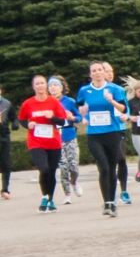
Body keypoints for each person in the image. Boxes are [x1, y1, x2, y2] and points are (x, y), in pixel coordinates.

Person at [75, 61, 129, 216]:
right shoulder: (84, 90)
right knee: (103, 167)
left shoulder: (115, 89)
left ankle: (111, 202)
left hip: (112, 133)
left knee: (111, 168)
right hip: (94, 135)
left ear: (105, 72)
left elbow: (123, 108)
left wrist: (111, 101)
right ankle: (106, 201)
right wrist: (82, 112)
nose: (97, 73)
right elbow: (79, 108)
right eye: (94, 70)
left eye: (100, 70)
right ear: (90, 74)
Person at [18, 75, 70, 211]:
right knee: (43, 168)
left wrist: (52, 117)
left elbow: (63, 121)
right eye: (37, 84)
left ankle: (50, 199)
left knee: (51, 172)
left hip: (53, 142)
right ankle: (44, 196)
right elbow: (21, 119)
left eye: (42, 83)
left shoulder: (53, 102)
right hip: (36, 142)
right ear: (33, 86)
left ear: (46, 85)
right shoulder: (28, 103)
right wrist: (28, 124)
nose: (40, 86)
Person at [48, 77, 81, 203]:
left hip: (70, 136)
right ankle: (67, 193)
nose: (53, 88)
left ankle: (74, 182)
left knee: (73, 166)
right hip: (55, 139)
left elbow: (79, 118)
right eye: (50, 86)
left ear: (61, 88)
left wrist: (72, 117)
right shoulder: (47, 102)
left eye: (55, 85)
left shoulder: (69, 101)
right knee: (63, 167)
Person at [102, 61, 131, 202]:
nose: (110, 73)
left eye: (111, 71)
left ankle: (124, 190)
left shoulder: (118, 89)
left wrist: (127, 115)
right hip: (103, 131)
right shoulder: (96, 91)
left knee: (121, 159)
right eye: (106, 70)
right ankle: (109, 193)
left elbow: (126, 106)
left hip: (118, 129)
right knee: (107, 164)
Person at [0, 83, 12, 200]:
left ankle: (5, 189)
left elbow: (14, 117)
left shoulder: (6, 103)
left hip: (4, 137)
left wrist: (15, 124)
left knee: (6, 164)